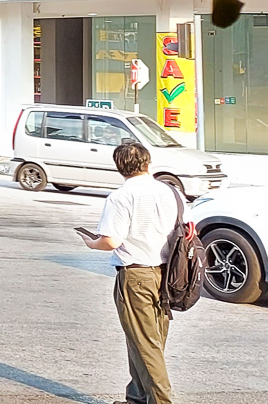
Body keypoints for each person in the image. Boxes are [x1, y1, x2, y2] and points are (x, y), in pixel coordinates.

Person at [82, 142, 181, 404]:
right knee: (149, 340)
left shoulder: (121, 197)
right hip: (168, 274)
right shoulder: (172, 192)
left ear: (120, 168)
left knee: (145, 344)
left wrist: (92, 242)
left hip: (136, 275)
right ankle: (137, 397)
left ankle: (160, 401)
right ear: (149, 164)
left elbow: (111, 241)